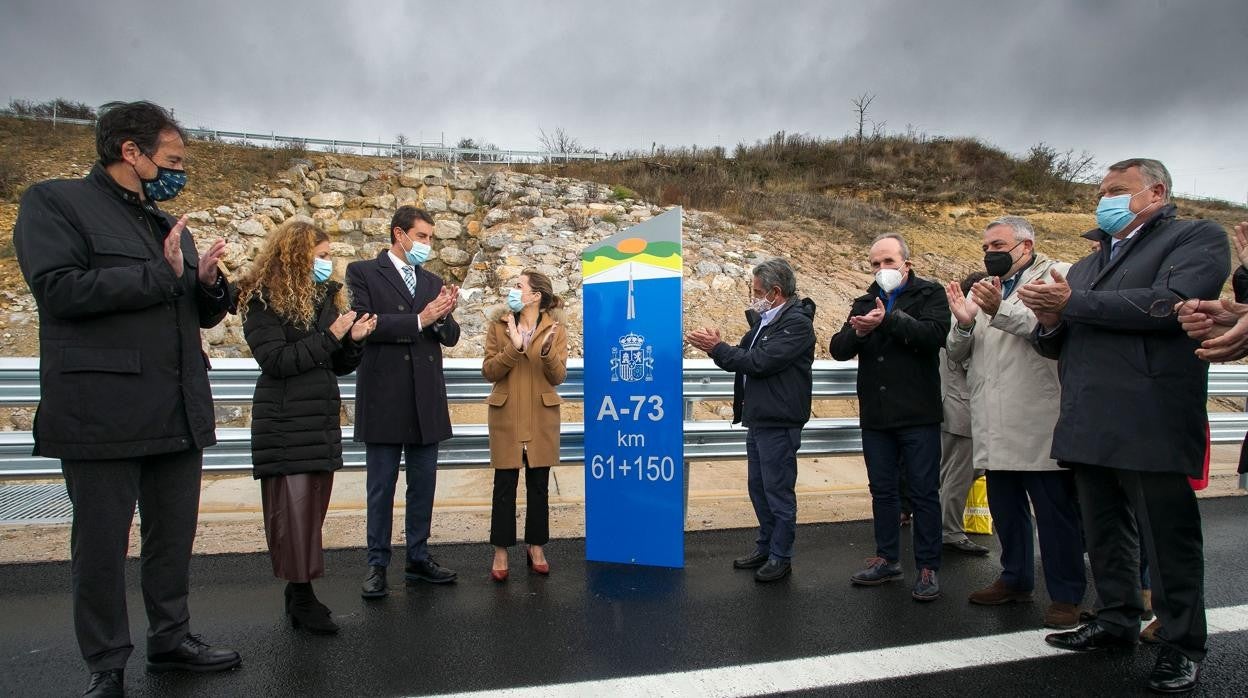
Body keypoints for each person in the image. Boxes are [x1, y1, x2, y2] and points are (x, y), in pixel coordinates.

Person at [12, 100, 240, 696]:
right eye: (171, 159)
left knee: (172, 537)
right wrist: (162, 277)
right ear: (130, 152)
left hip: (176, 407)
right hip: (102, 411)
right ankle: (106, 662)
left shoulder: (164, 223)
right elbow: (59, 290)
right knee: (101, 546)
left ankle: (171, 638)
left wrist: (210, 285)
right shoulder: (55, 203)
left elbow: (194, 310)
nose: (179, 170)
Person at [1019, 159, 1229, 694]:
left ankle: (1182, 643)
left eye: (1117, 190)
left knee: (1167, 538)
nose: (1104, 199)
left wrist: (1072, 303)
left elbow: (1169, 305)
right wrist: (1048, 321)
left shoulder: (1194, 238)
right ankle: (1116, 619)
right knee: (1104, 532)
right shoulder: (1089, 264)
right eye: (1101, 191)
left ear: (1155, 192)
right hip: (1089, 417)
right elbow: (1062, 337)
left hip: (1150, 416)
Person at [946, 216, 1086, 629]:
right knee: (1005, 509)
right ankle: (1015, 577)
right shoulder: (986, 289)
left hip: (1037, 418)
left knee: (1054, 514)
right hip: (992, 418)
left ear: (1025, 246)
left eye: (998, 245)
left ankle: (1067, 595)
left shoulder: (1056, 274)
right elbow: (956, 352)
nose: (990, 253)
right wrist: (965, 321)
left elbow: (1054, 333)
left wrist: (999, 310)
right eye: (986, 246)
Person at [237, 220, 376, 633]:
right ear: (296, 256)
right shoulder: (262, 299)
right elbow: (277, 361)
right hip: (284, 421)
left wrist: (354, 340)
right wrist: (333, 335)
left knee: (310, 514)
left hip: (317, 421)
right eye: (321, 256)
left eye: (329, 255)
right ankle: (302, 596)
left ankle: (297, 593)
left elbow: (336, 365)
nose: (328, 264)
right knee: (293, 514)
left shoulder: (323, 297)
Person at [346, 206, 461, 597]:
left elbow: (449, 336)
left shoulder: (432, 280)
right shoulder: (363, 272)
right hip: (384, 395)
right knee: (381, 486)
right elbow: (365, 322)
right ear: (400, 234)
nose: (428, 245)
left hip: (424, 396)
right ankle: (377, 563)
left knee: (423, 484)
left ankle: (418, 556)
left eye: (431, 238)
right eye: (423, 236)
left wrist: (446, 316)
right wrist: (420, 320)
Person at [830, 233, 949, 601]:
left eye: (888, 262)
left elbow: (933, 335)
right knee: (882, 491)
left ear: (906, 264)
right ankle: (886, 558)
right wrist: (858, 330)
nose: (882, 270)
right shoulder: (865, 300)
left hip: (917, 412)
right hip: (877, 415)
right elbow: (837, 349)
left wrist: (889, 321)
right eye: (875, 264)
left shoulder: (930, 294)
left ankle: (928, 566)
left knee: (924, 491)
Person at [686, 258, 816, 583]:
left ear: (775, 292)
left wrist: (716, 348)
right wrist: (718, 346)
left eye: (757, 290)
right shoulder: (764, 321)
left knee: (778, 491)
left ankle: (781, 555)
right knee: (758, 488)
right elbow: (740, 359)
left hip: (779, 420)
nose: (752, 295)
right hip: (760, 418)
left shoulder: (796, 324)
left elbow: (757, 362)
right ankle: (766, 545)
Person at [482, 270, 568, 581]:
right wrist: (514, 347)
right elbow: (489, 371)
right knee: (504, 486)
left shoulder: (556, 328)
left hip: (541, 414)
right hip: (506, 413)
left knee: (539, 485)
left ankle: (536, 547)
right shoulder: (499, 324)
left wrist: (545, 352)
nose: (513, 291)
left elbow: (558, 377)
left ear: (536, 296)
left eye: (519, 286)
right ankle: (501, 550)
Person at [939, 271, 989, 556]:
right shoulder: (964, 322)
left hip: (956, 406)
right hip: (962, 408)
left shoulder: (956, 319)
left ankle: (944, 525)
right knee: (959, 473)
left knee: (957, 471)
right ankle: (950, 532)